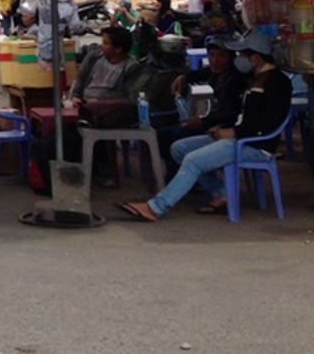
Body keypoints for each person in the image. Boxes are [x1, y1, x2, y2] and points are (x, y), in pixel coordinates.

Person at [120, 30, 292, 221]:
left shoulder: (276, 82)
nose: (239, 59)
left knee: (193, 160)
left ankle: (156, 207)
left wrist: (233, 132)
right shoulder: (255, 77)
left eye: (243, 55)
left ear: (256, 58)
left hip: (254, 144)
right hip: (239, 136)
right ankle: (221, 193)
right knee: (179, 148)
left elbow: (265, 121)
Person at [158, 37, 248, 180]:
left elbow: (232, 113)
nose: (215, 60)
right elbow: (196, 74)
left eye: (221, 56)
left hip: (226, 125)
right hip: (212, 120)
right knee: (162, 135)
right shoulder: (214, 73)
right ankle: (180, 176)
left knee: (178, 136)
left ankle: (188, 179)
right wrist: (183, 77)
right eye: (211, 55)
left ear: (231, 58)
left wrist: (203, 121)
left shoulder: (236, 80)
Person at [69, 25, 139, 127]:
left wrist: (101, 102)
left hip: (106, 111)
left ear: (118, 48)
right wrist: (75, 96)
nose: (101, 45)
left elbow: (127, 95)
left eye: (106, 43)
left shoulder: (130, 67)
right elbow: (81, 77)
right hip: (83, 104)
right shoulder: (94, 57)